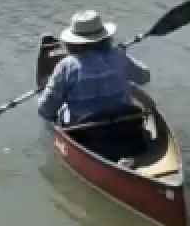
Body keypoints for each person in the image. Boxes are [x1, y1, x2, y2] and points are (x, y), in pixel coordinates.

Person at [38, 10, 152, 155]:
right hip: (127, 130)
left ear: (72, 42)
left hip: (86, 136)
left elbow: (45, 110)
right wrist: (121, 56)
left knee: (58, 110)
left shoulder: (67, 66)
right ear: (105, 37)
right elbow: (145, 77)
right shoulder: (118, 56)